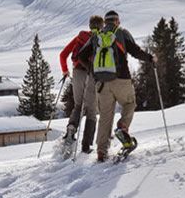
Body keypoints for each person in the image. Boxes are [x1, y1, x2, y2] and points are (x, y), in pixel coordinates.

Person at [77, 10, 155, 162]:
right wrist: (151, 58)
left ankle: (101, 152)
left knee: (105, 117)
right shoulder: (121, 33)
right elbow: (136, 51)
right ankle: (122, 126)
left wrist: (92, 71)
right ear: (117, 21)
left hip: (102, 83)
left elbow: (81, 56)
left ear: (105, 22)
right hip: (122, 79)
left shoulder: (96, 36)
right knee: (129, 103)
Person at [59, 14, 104, 154]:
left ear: (90, 25)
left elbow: (63, 54)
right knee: (91, 110)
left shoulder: (80, 37)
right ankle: (86, 146)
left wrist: (65, 70)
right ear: (101, 26)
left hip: (77, 72)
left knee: (78, 105)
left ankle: (71, 128)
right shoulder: (101, 39)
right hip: (91, 74)